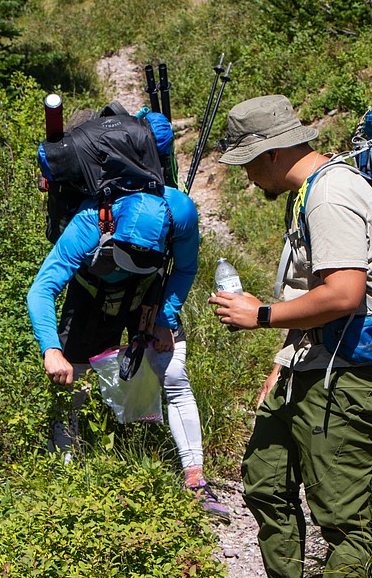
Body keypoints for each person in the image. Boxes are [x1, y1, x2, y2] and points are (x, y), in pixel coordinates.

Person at [207, 95, 372, 578]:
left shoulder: (330, 195)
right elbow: (318, 289)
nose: (245, 175)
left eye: (247, 162)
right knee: (265, 478)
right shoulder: (310, 193)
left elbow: (344, 295)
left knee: (340, 511)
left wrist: (260, 314)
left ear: (271, 152)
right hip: (308, 363)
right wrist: (281, 358)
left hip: (349, 374)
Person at [26, 114, 229, 522]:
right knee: (73, 381)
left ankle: (195, 480)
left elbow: (185, 270)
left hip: (151, 296)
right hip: (92, 297)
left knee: (173, 375)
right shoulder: (89, 222)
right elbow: (42, 288)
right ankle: (64, 477)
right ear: (113, 228)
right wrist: (52, 349)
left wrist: (164, 318)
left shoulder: (180, 213)